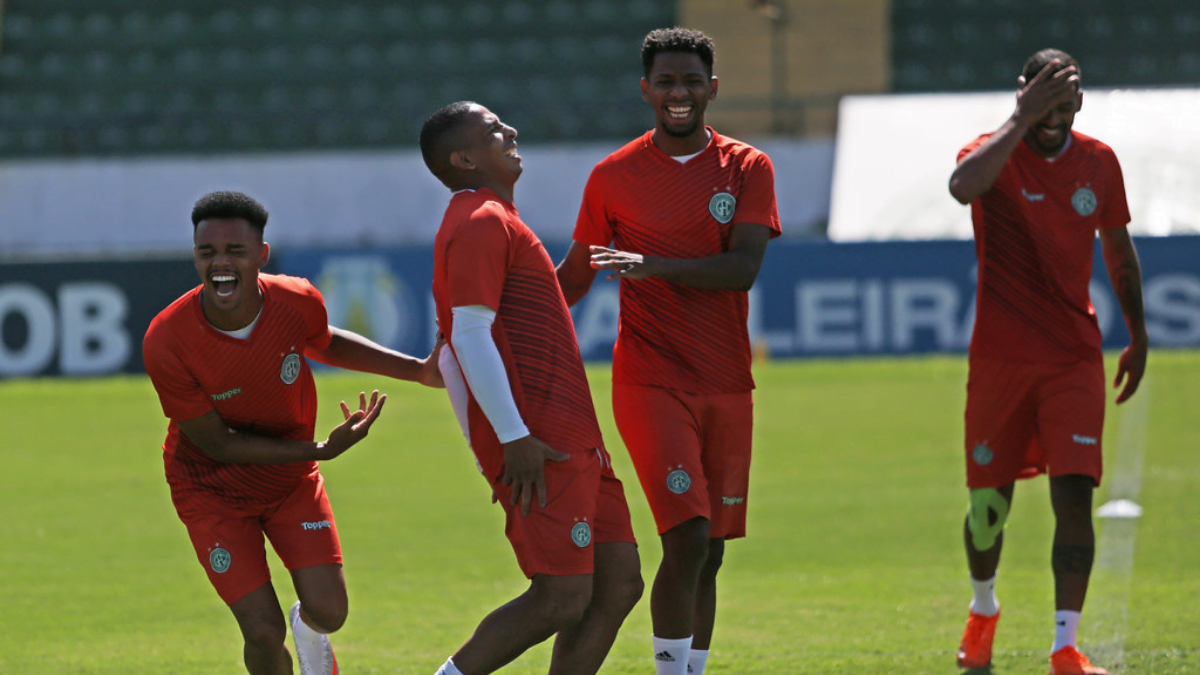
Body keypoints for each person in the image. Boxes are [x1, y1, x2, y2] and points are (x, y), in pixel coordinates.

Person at [555, 27, 781, 675]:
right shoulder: (613, 175)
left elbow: (741, 269)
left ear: (712, 88)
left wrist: (649, 264)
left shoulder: (748, 167)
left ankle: (690, 668)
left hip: (728, 382)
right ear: (646, 90)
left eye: (690, 81)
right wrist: (507, 314)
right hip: (650, 380)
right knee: (682, 535)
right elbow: (575, 276)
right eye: (665, 82)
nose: (677, 93)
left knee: (710, 548)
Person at [143, 190, 444, 675]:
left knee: (330, 613)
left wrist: (417, 370)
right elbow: (217, 443)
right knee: (261, 631)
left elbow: (324, 342)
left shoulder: (296, 299)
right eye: (207, 252)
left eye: (235, 252)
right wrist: (319, 449)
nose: (220, 263)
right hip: (211, 489)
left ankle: (310, 631)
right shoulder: (167, 339)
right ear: (195, 255)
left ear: (261, 255)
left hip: (288, 480)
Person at [419, 101, 643, 675]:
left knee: (617, 584)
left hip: (572, 437)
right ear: (465, 158)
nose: (511, 130)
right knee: (561, 596)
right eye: (494, 130)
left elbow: (542, 306)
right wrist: (515, 436)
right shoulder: (479, 222)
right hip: (538, 440)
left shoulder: (498, 218)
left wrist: (597, 235)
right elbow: (469, 336)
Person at [948, 49, 1148, 675]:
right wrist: (1021, 117)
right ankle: (983, 611)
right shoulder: (992, 151)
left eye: (1067, 99)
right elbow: (961, 188)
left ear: (1080, 101)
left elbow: (1118, 251)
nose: (1056, 114)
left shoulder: (1098, 161)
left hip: (1072, 359)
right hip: (1001, 360)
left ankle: (1066, 646)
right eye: (1043, 97)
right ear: (1022, 92)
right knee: (988, 510)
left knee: (1073, 500)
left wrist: (1139, 336)